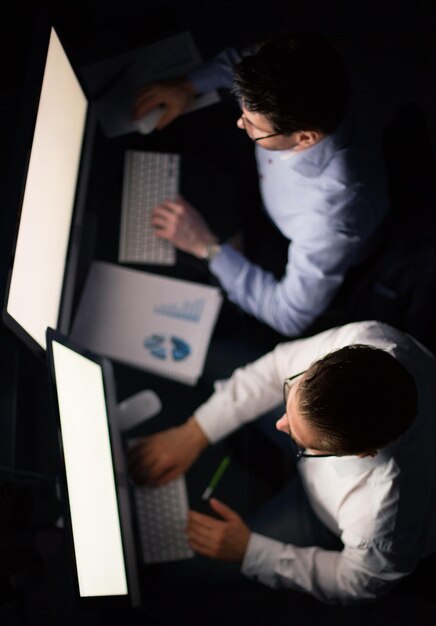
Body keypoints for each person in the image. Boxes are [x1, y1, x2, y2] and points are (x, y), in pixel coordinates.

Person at [128, 320, 436, 605]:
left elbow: (356, 581)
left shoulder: (382, 515)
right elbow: (277, 366)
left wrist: (250, 552)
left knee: (181, 573)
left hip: (324, 517)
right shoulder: (366, 339)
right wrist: (195, 432)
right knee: (200, 351)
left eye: (301, 442)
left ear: (363, 453)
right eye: (294, 391)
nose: (280, 423)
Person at [132, 32, 389, 337]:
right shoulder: (307, 58)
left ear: (305, 137)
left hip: (293, 248)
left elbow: (289, 315)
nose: (241, 122)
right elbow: (242, 64)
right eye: (242, 109)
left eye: (253, 124)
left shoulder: (333, 217)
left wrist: (207, 246)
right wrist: (187, 85)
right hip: (267, 187)